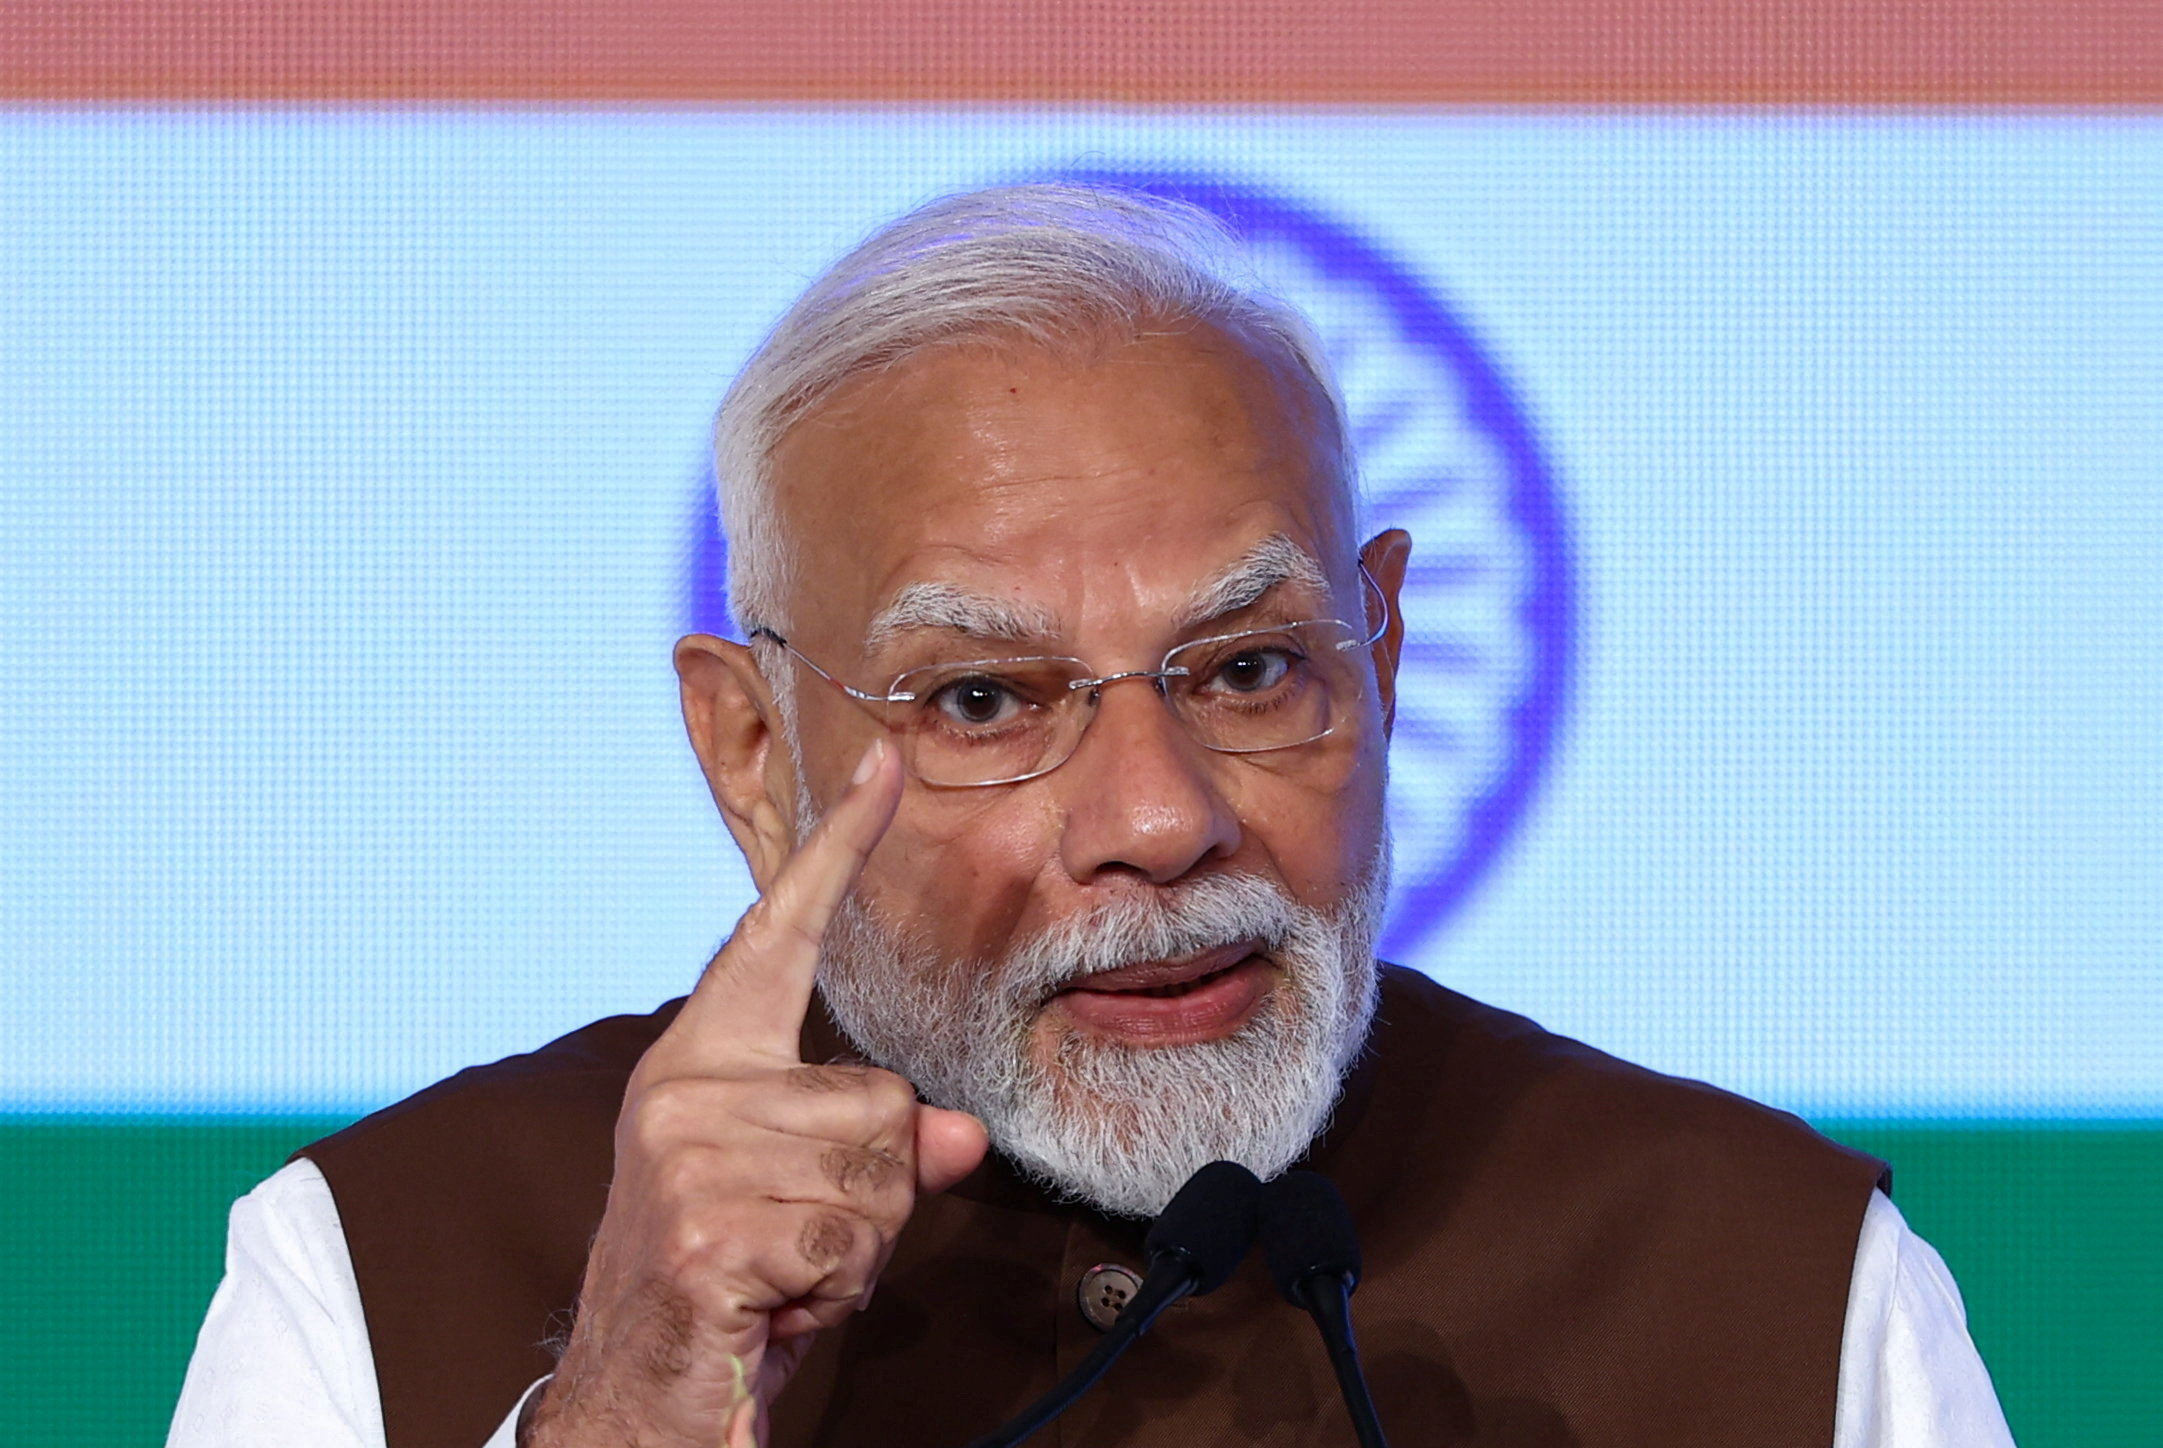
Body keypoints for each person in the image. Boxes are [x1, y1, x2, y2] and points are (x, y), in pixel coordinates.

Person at [169, 184, 2017, 1448]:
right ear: (752, 752)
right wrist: (628, 1410)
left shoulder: (1773, 1291)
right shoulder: (381, 1271)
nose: (1157, 817)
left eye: (1250, 669)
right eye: (985, 701)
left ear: (1380, 654)